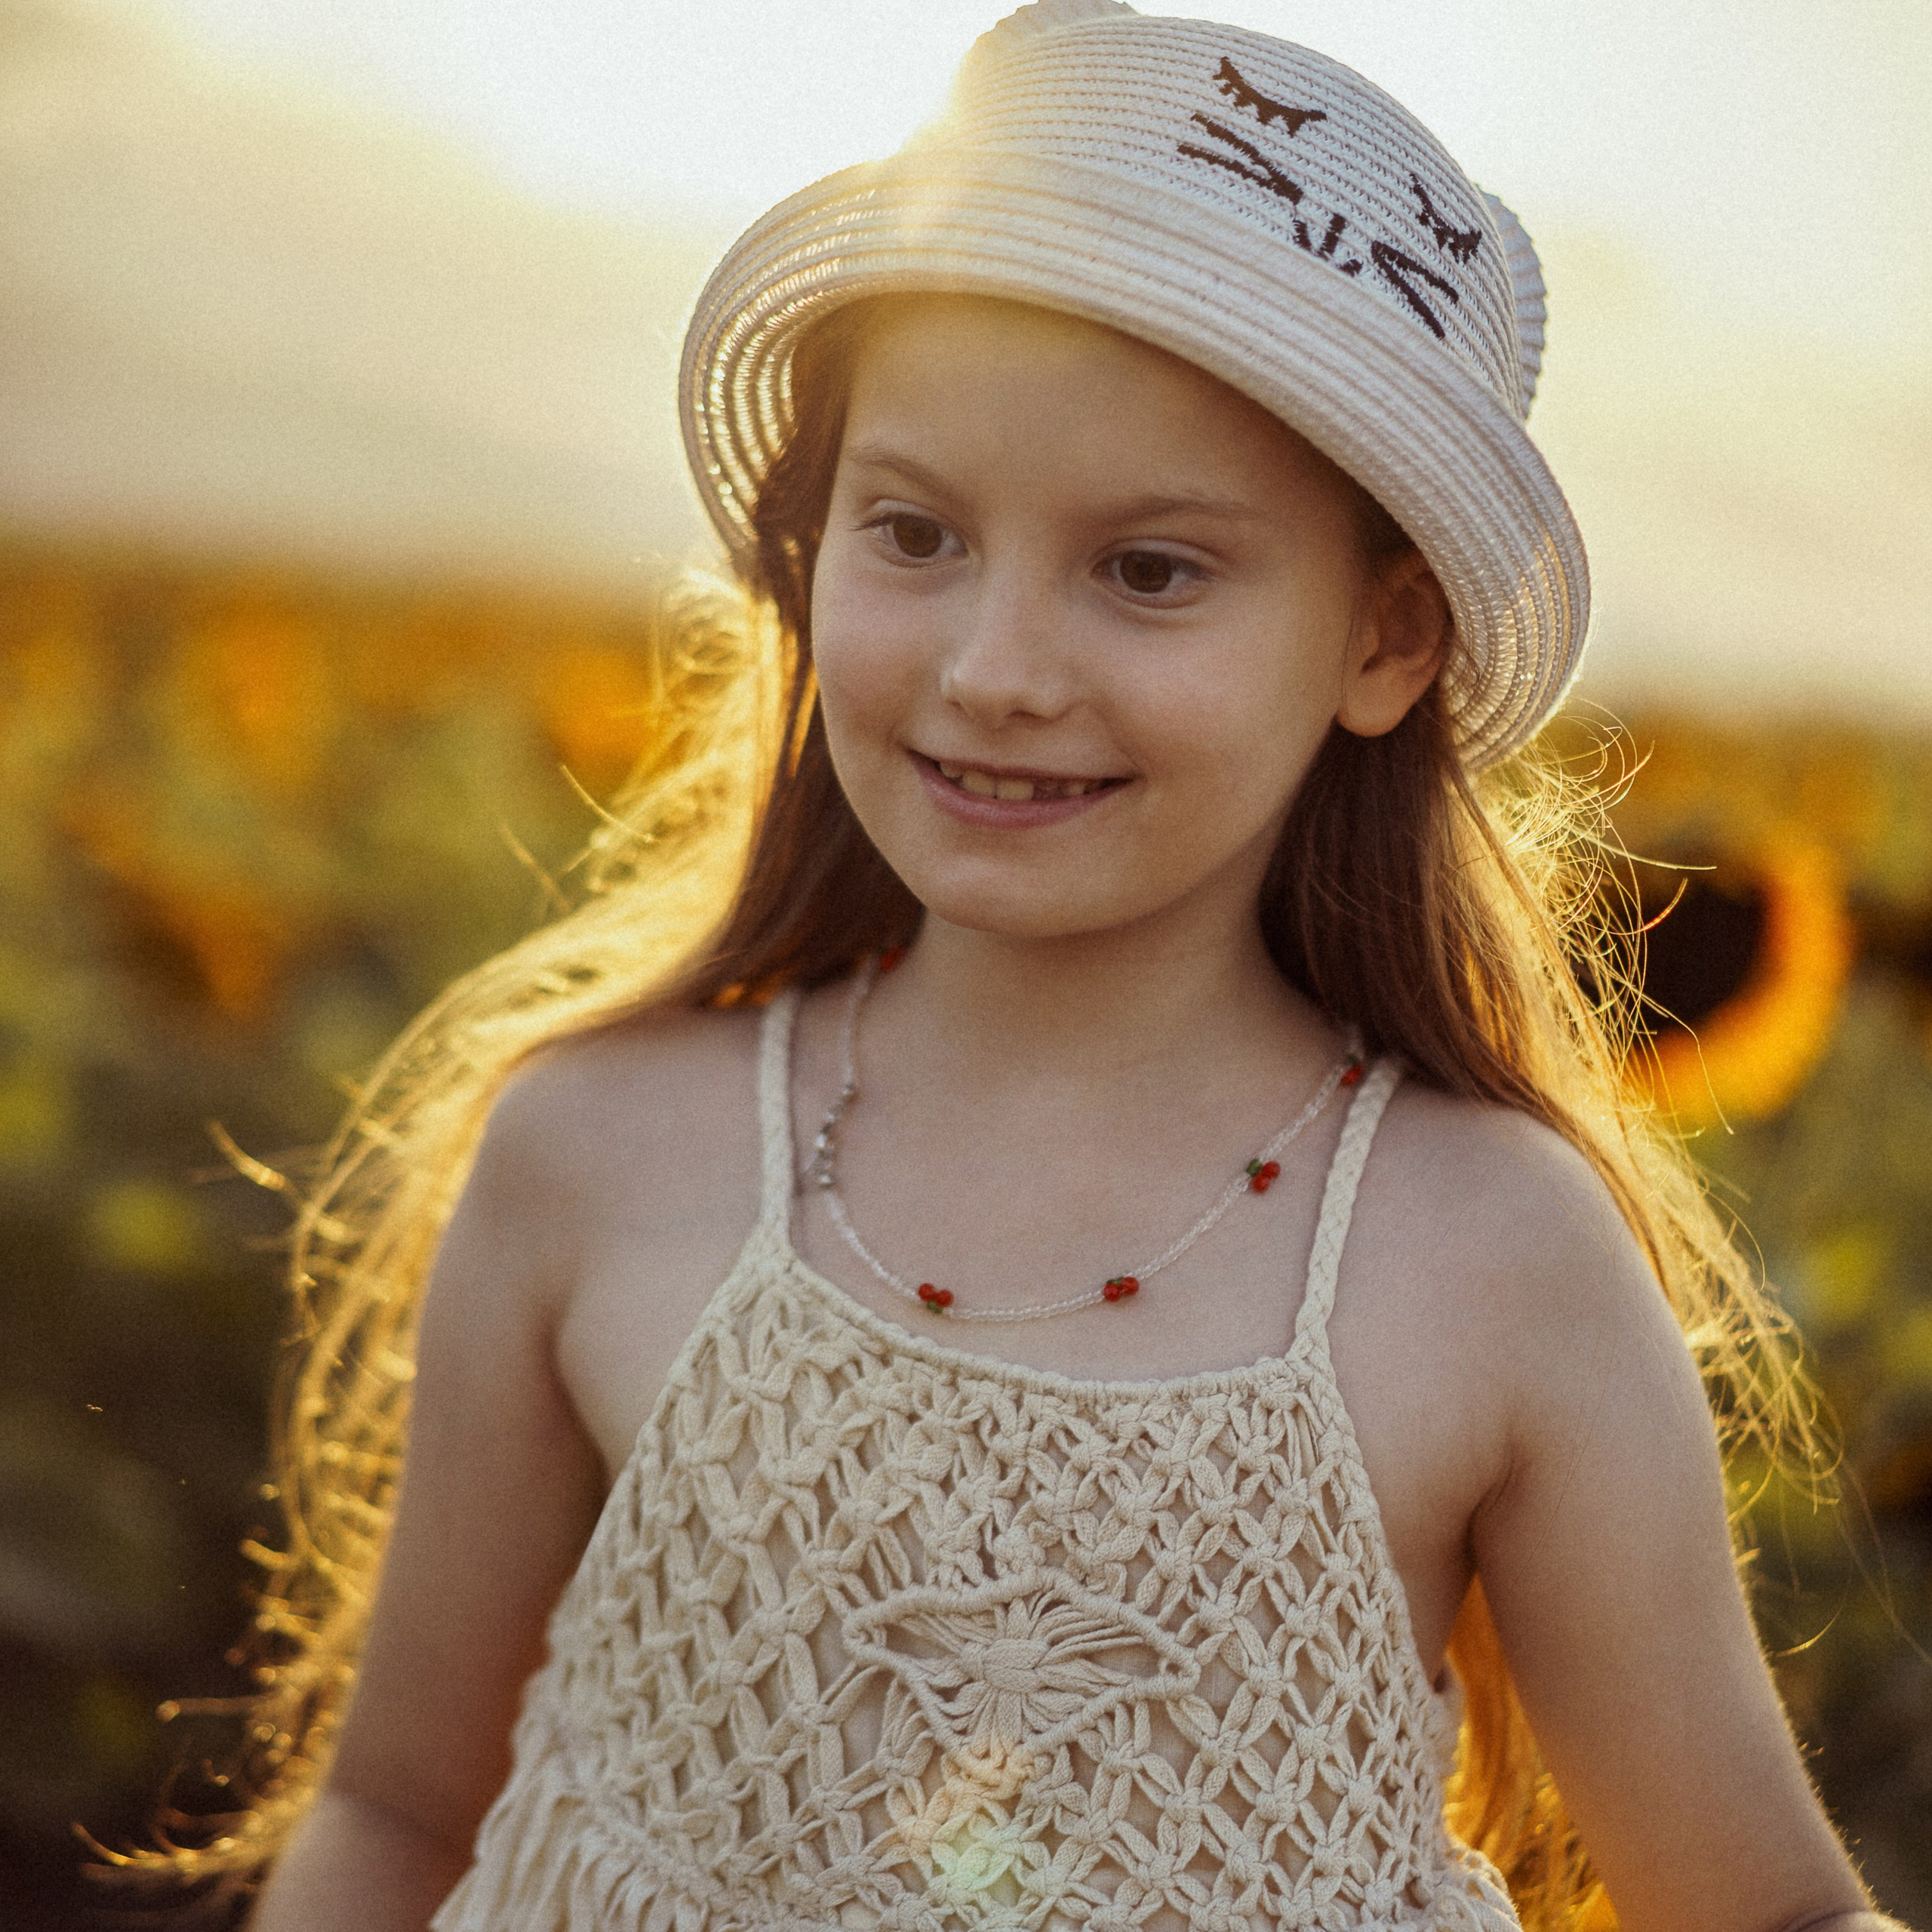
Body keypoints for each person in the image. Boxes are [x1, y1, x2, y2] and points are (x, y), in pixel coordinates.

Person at [137, 5, 1910, 1928]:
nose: (993, 663)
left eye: (1148, 568)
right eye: (912, 531)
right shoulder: (597, 1147)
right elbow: (401, 1812)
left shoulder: (1486, 1256)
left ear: (1384, 639)